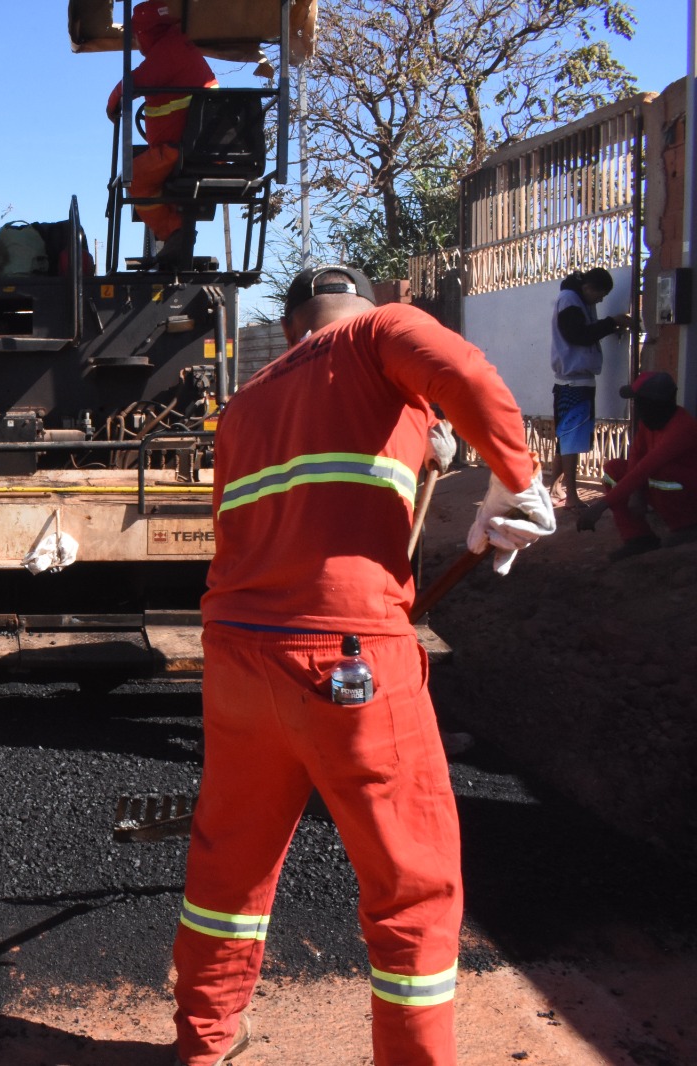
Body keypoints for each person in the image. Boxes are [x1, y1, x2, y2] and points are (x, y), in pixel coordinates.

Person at [169, 265, 555, 1066]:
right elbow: (469, 372)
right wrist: (517, 481)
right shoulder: (383, 332)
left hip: (238, 656)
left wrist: (426, 440)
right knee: (414, 888)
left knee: (229, 867)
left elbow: (289, 499)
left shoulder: (244, 404)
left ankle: (204, 1044)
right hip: (349, 657)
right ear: (367, 306)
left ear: (289, 328)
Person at [105, 2, 217, 262]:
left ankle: (176, 232)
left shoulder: (170, 50)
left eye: (137, 34)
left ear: (147, 31)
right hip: (198, 151)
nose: (137, 41)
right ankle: (176, 239)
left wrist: (112, 106)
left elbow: (133, 84)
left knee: (135, 179)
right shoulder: (181, 47)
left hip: (181, 153)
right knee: (151, 178)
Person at [577, 371, 697, 559]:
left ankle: (686, 527)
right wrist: (636, 493)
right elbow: (636, 455)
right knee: (613, 469)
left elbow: (647, 466)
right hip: (665, 482)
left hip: (688, 494)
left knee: (659, 472)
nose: (636, 406)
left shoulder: (681, 427)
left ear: (653, 404)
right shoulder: (650, 422)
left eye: (639, 401)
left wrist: (600, 507)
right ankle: (638, 537)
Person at [550, 268, 632, 509]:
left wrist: (610, 326)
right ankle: (572, 496)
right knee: (571, 440)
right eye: (600, 294)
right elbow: (578, 335)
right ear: (588, 287)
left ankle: (554, 488)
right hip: (573, 382)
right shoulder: (570, 301)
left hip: (576, 380)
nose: (601, 300)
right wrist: (611, 323)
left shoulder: (576, 300)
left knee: (566, 438)